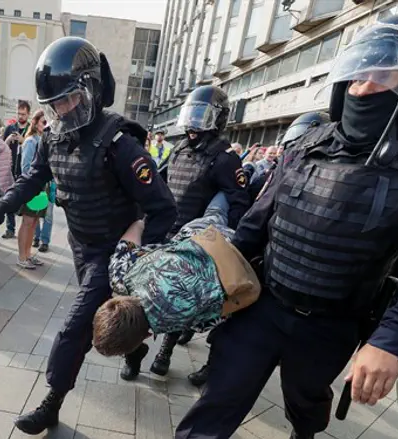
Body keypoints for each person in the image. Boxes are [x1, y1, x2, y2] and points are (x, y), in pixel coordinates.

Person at [175, 13, 398, 439]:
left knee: (305, 402)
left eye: (385, 75)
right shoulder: (305, 144)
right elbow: (252, 230)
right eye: (361, 71)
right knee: (214, 406)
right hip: (262, 306)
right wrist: (190, 282)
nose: (365, 85)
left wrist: (392, 338)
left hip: (331, 324)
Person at [0, 36, 177, 435]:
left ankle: (52, 401)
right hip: (80, 246)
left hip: (113, 253)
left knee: (76, 328)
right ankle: (135, 345)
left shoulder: (120, 143)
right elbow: (34, 176)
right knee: (103, 317)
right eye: (54, 104)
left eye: (69, 100)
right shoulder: (55, 138)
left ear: (90, 90)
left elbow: (163, 207)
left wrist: (138, 256)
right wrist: (5, 202)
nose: (61, 110)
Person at [186, 110, 333, 387]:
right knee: (228, 330)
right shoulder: (277, 171)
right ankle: (213, 368)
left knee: (304, 385)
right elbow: (251, 207)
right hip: (258, 263)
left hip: (302, 288)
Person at [149, 85, 252, 378]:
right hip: (167, 231)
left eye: (202, 117)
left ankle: (165, 350)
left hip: (196, 238)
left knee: (180, 293)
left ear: (217, 119)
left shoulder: (224, 157)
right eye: (191, 115)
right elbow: (160, 179)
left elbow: (239, 200)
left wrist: (222, 243)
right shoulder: (180, 147)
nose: (194, 125)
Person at [95, 193, 260, 357]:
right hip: (204, 234)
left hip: (238, 260)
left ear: (145, 337)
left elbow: (221, 313)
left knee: (256, 219)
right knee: (217, 210)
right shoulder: (121, 275)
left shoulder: (183, 323)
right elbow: (136, 228)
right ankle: (233, 187)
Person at [16, 110, 48, 269]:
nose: (46, 125)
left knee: (34, 223)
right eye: (43, 122)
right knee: (28, 222)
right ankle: (22, 257)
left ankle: (28, 255)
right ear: (35, 122)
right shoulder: (31, 141)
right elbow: (26, 167)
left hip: (41, 188)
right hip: (32, 187)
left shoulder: (42, 139)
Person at [2, 100, 32, 239]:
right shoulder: (10, 128)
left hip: (25, 170)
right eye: (19, 114)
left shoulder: (31, 129)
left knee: (26, 203)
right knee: (9, 197)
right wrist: (8, 139)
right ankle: (10, 228)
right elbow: (1, 147)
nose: (20, 117)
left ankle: (27, 231)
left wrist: (23, 141)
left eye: (23, 114)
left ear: (28, 114)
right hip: (10, 167)